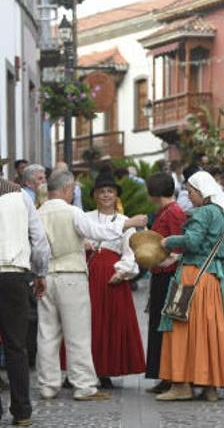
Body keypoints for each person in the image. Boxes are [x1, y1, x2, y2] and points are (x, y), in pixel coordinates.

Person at [36, 171, 146, 401]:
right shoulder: (73, 212)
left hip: (47, 275)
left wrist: (37, 275)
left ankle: (48, 385)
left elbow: (35, 246)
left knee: (47, 333)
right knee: (78, 333)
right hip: (71, 275)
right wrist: (128, 223)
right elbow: (99, 231)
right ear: (67, 189)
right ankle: (84, 386)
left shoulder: (39, 212)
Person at [157, 171, 224, 401]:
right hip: (213, 279)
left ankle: (181, 385)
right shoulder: (221, 214)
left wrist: (168, 241)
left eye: (191, 191)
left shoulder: (203, 212)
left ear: (202, 191)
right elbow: (209, 246)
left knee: (180, 329)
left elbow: (192, 241)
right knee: (209, 331)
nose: (189, 195)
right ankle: (210, 387)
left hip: (193, 277)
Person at [84, 172, 145, 388]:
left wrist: (122, 272)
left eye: (110, 191)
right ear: (95, 196)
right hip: (89, 275)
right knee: (85, 323)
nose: (106, 195)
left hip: (112, 276)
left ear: (116, 195)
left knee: (108, 323)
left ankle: (105, 370)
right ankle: (82, 370)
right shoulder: (86, 217)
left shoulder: (123, 221)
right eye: (102, 192)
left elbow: (130, 251)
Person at [0, 177, 49, 426]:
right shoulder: (21, 196)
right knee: (16, 346)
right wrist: (40, 273)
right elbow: (39, 240)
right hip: (14, 274)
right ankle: (22, 411)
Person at [144, 172, 186, 395]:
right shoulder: (166, 212)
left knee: (167, 328)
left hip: (170, 275)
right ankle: (163, 374)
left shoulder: (174, 213)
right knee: (159, 327)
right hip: (161, 273)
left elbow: (179, 245)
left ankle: (170, 376)